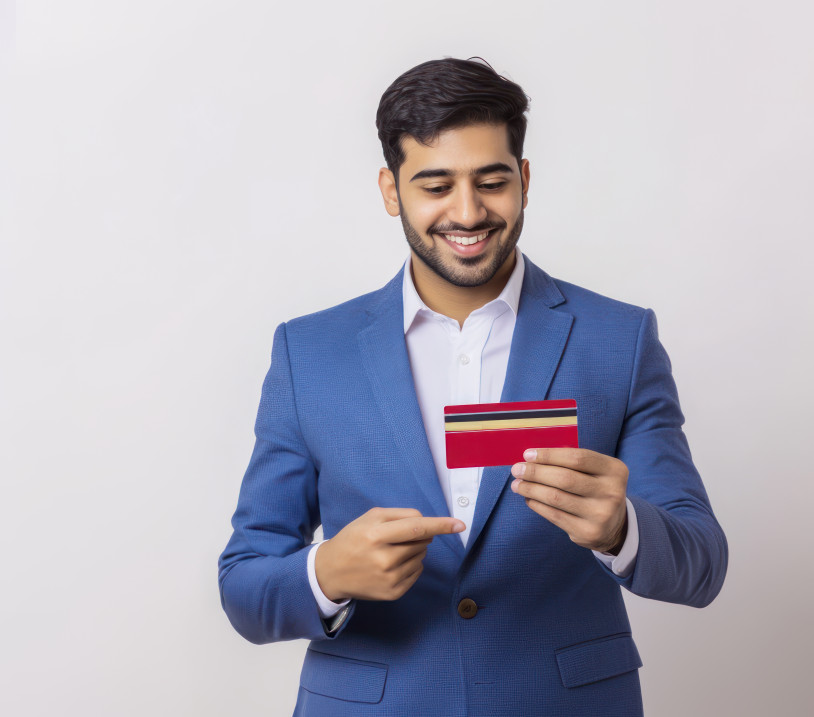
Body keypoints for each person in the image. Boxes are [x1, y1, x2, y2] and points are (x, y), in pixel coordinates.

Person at [217, 57, 728, 716]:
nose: (468, 211)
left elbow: (702, 562)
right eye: (436, 185)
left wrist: (622, 528)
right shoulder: (309, 352)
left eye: (491, 181)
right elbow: (244, 583)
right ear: (390, 189)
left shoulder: (619, 340)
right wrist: (329, 572)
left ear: (523, 179)